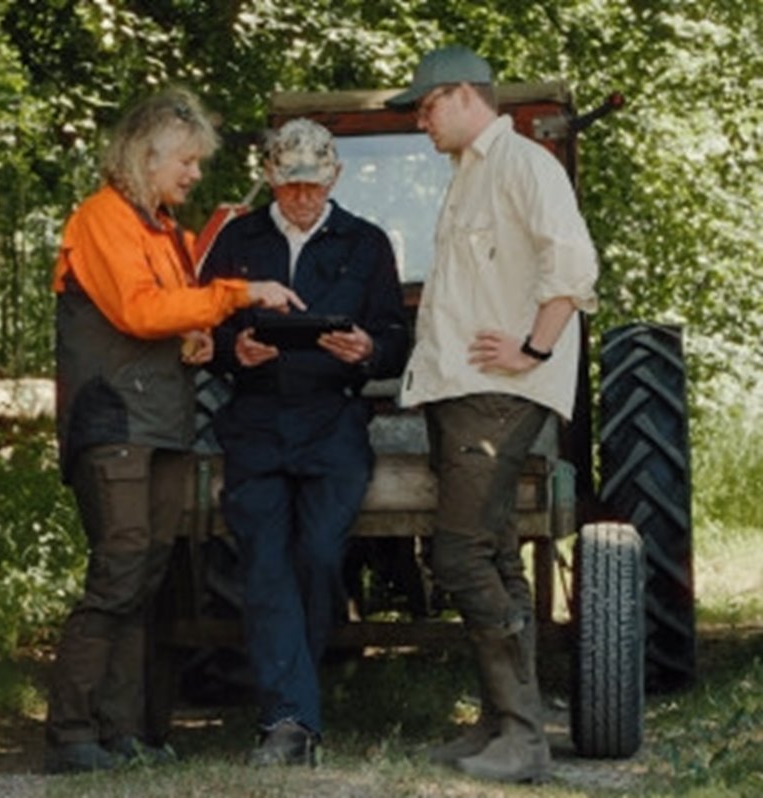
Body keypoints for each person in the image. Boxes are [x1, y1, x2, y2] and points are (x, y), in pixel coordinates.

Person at [46, 87, 304, 775]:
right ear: (146, 155)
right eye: (186, 161)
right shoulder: (101, 218)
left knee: (147, 576)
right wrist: (237, 294)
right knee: (120, 568)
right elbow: (137, 311)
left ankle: (126, 731)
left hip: (161, 422)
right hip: (113, 420)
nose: (194, 173)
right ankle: (70, 731)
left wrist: (201, 338)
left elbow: (170, 314)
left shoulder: (164, 231)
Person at [385, 45, 600, 783]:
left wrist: (534, 349)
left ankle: (523, 737)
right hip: (461, 390)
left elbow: (572, 266)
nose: (420, 121)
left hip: (497, 394)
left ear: (463, 95)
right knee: (496, 554)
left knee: (459, 554)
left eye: (426, 106)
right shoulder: (469, 175)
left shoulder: (524, 165)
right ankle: (503, 726)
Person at [200, 118, 409, 766]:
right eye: (290, 185)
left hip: (333, 423)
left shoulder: (367, 243)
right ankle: (288, 722)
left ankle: (296, 702)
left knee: (318, 556)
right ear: (268, 176)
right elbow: (203, 330)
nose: (302, 197)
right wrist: (235, 351)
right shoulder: (237, 240)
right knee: (264, 563)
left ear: (335, 177)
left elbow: (396, 338)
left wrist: (369, 349)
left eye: (314, 185)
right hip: (256, 422)